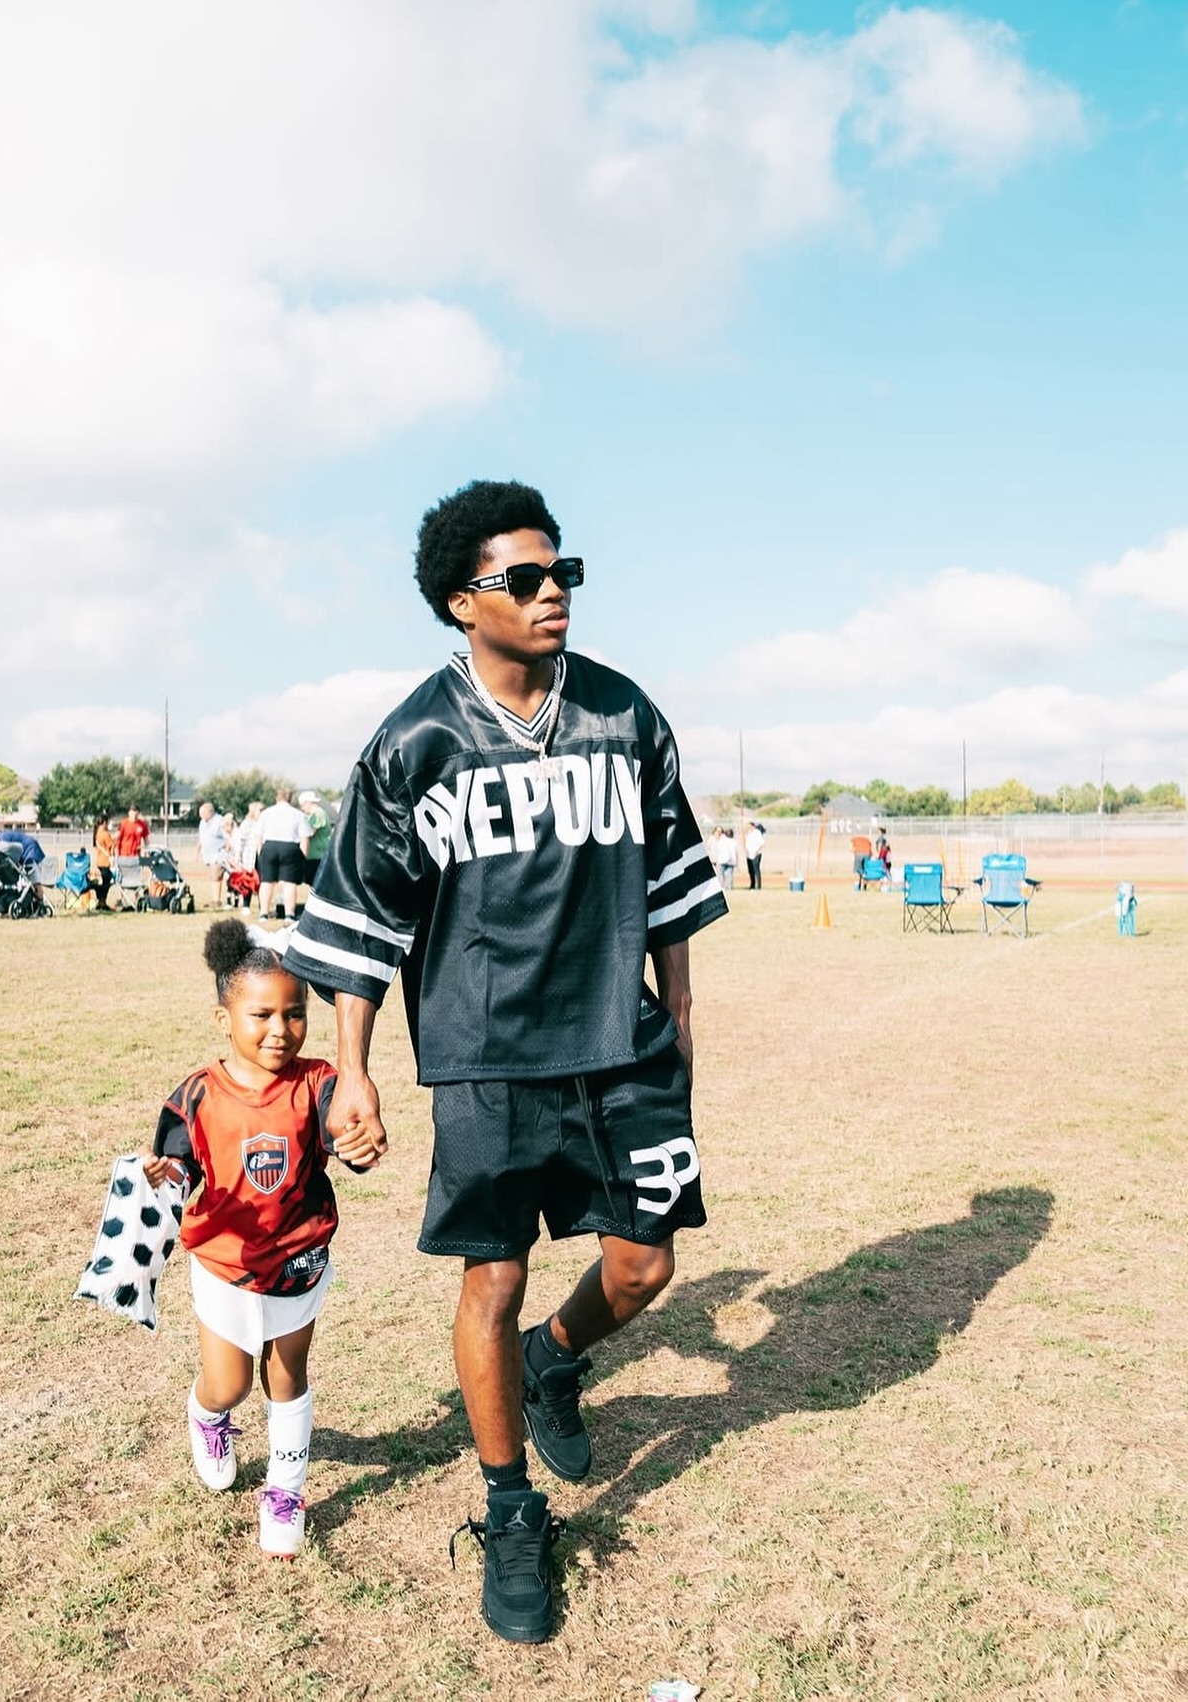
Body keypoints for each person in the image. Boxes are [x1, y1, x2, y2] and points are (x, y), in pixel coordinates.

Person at [284, 478, 727, 1644]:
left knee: (645, 1264)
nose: (552, 594)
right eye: (522, 579)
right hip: (485, 1056)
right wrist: (355, 1071)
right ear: (459, 602)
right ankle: (509, 1506)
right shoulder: (415, 740)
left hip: (620, 1039)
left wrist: (680, 1005)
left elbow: (669, 878)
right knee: (492, 1277)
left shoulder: (624, 715)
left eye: (561, 572)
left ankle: (555, 1361)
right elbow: (365, 918)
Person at [141, 921, 374, 1558]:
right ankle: (208, 1416)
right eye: (262, 1015)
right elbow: (181, 1167)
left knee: (286, 1374)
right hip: (225, 1262)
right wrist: (166, 1174)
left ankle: (285, 1492)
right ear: (224, 1019)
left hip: (299, 1256)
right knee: (231, 1384)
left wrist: (358, 1144)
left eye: (294, 1014)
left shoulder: (319, 1082)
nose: (281, 1029)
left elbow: (344, 1135)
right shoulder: (197, 1094)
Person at [255, 786, 307, 922]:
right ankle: (289, 914)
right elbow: (304, 838)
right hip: (290, 847)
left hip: (269, 846)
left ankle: (263, 913)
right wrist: (303, 856)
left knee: (267, 882)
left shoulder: (266, 813)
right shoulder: (298, 814)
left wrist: (260, 853)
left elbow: (258, 836)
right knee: (289, 883)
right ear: (290, 799)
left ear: (276, 798)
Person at [196, 802, 229, 909]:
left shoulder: (219, 821)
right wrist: (197, 851)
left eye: (203, 814)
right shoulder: (203, 822)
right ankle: (215, 899)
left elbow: (228, 836)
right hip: (208, 855)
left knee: (216, 876)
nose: (201, 816)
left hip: (218, 854)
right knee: (212, 877)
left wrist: (227, 850)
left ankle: (216, 901)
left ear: (210, 812)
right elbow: (201, 838)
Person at [298, 791, 331, 888]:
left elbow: (310, 832)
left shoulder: (317, 815)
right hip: (316, 854)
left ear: (307, 802)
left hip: (316, 854)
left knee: (314, 882)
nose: (302, 808)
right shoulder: (316, 814)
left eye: (302, 805)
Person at [91, 813, 116, 911]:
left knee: (100, 883)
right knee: (106, 883)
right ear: (104, 822)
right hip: (105, 861)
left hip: (99, 861)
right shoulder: (105, 834)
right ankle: (103, 902)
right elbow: (111, 845)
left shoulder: (96, 833)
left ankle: (100, 901)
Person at [711, 826, 738, 893]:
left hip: (722, 860)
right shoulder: (735, 842)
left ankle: (721, 887)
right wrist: (736, 861)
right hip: (731, 861)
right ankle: (730, 887)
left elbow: (718, 849)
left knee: (721, 875)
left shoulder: (722, 841)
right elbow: (736, 852)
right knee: (729, 875)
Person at [744, 820, 765, 890]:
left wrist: (757, 851)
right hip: (749, 854)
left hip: (756, 854)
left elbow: (762, 844)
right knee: (751, 870)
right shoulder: (748, 834)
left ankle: (758, 886)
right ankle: (752, 885)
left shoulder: (757, 833)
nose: (748, 828)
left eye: (749, 826)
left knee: (756, 870)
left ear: (753, 826)